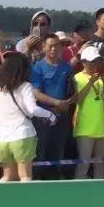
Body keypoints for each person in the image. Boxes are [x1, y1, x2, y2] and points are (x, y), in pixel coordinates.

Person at [0, 49, 56, 182]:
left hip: (2, 139)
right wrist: (50, 115)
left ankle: (5, 202)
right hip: (22, 136)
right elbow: (32, 110)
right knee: (25, 176)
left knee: (7, 176)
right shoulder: (25, 86)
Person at [28, 32, 75, 178]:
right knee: (40, 153)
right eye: (50, 46)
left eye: (56, 45)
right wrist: (56, 103)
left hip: (62, 117)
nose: (54, 49)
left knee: (58, 153)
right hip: (43, 119)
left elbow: (72, 91)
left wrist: (67, 103)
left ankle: (55, 182)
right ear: (43, 47)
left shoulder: (66, 67)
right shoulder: (37, 67)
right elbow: (35, 93)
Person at [73, 47, 104, 178]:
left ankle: (99, 193)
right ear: (83, 62)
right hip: (85, 129)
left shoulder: (100, 78)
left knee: (101, 164)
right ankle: (78, 193)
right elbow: (78, 99)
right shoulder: (77, 78)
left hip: (102, 127)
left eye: (97, 61)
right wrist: (90, 82)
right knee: (84, 164)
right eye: (92, 61)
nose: (95, 64)